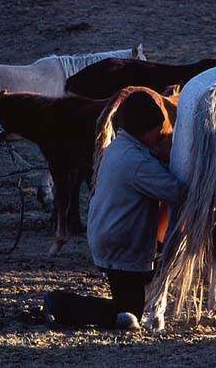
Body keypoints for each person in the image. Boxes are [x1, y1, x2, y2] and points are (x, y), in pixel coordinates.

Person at [43, 91, 186, 329]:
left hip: (108, 237)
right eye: (157, 130)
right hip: (120, 245)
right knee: (130, 316)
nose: (160, 136)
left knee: (130, 304)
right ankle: (60, 303)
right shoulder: (138, 162)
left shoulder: (119, 147)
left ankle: (63, 304)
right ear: (144, 130)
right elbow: (177, 192)